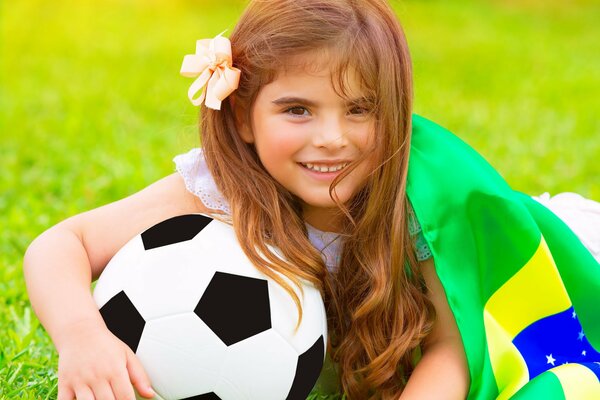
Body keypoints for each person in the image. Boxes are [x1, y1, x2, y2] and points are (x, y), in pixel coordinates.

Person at [23, 1, 600, 399]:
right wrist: (82, 336)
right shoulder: (225, 186)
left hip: (566, 244)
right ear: (244, 114)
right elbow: (61, 244)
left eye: (360, 109)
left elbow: (451, 351)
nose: (331, 138)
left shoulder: (420, 201)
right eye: (297, 110)